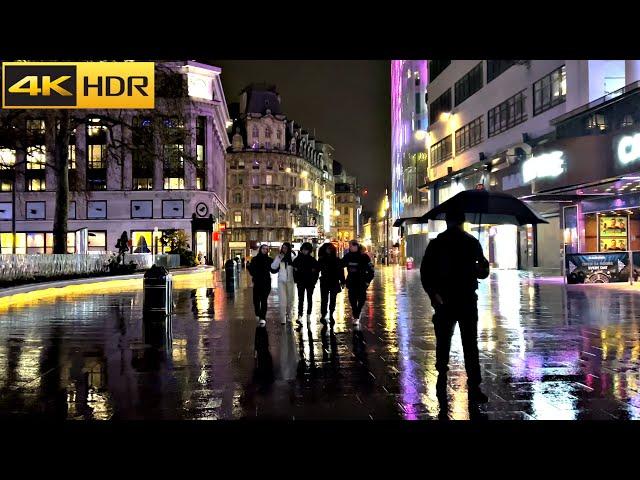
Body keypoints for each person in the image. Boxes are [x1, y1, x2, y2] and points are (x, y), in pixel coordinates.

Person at [420, 208, 490, 405]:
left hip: (445, 300)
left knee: (443, 339)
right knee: (470, 343)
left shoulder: (436, 244)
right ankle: (474, 385)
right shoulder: (472, 243)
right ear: (462, 222)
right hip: (467, 299)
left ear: (447, 222)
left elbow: (425, 272)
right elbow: (482, 272)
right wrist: (482, 266)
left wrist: (433, 295)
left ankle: (442, 373)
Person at [342, 239, 374, 327]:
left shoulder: (364, 257)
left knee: (361, 300)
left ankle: (357, 314)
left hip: (361, 282)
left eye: (351, 246)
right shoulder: (348, 256)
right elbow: (341, 264)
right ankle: (356, 315)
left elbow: (371, 271)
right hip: (351, 282)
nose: (350, 247)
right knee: (352, 300)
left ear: (356, 246)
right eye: (349, 246)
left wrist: (367, 282)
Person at [318, 242, 345, 324]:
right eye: (327, 249)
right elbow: (317, 269)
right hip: (325, 281)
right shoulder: (322, 259)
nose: (328, 251)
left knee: (332, 299)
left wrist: (343, 281)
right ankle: (323, 314)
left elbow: (341, 271)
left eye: (330, 249)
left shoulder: (337, 260)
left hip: (334, 281)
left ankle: (331, 313)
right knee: (324, 299)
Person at [292, 241, 319, 324]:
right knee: (301, 299)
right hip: (301, 282)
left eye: (306, 250)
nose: (305, 251)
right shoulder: (297, 259)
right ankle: (300, 315)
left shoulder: (312, 260)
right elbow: (294, 270)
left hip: (310, 282)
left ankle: (308, 315)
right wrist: (296, 279)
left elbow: (316, 272)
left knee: (309, 299)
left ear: (309, 251)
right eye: (303, 250)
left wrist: (314, 281)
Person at [247, 244, 273, 327]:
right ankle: (258, 313)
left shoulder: (270, 260)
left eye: (266, 249)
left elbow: (273, 270)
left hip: (266, 282)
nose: (265, 250)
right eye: (263, 248)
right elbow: (251, 271)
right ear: (260, 249)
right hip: (257, 282)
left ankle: (263, 317)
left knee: (264, 300)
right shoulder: (255, 259)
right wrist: (249, 267)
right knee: (256, 300)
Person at [271, 242, 297, 324]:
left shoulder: (293, 257)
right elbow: (273, 267)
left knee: (290, 300)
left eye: (286, 248)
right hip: (281, 281)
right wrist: (278, 259)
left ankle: (289, 316)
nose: (284, 249)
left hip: (290, 281)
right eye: (283, 248)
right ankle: (283, 319)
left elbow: (297, 267)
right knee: (282, 300)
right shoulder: (279, 256)